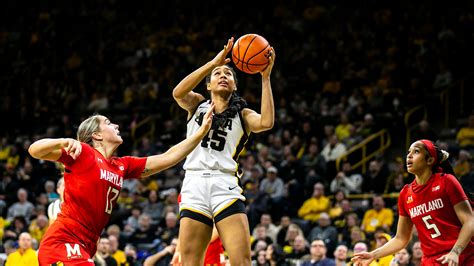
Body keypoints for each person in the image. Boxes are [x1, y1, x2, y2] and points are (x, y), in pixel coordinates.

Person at [28, 109, 214, 265]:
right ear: (97, 135)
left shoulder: (122, 165)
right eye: (109, 123)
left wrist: (201, 132)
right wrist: (62, 141)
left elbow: (168, 157)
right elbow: (34, 150)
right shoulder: (84, 153)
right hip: (64, 239)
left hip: (88, 243)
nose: (116, 126)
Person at [172, 37, 275, 265]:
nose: (223, 76)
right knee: (189, 262)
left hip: (224, 185)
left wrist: (265, 78)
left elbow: (267, 122)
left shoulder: (243, 114)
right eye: (218, 74)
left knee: (241, 261)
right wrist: (213, 63)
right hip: (194, 183)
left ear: (235, 85)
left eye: (228, 74)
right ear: (208, 85)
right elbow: (178, 93)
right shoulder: (196, 104)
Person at [352, 139, 474, 265]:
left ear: (429, 160)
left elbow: (469, 221)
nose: (409, 155)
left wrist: (455, 252)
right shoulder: (405, 194)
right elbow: (401, 238)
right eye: (409, 152)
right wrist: (373, 254)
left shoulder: (447, 182)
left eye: (416, 151)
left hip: (463, 255)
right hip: (431, 260)